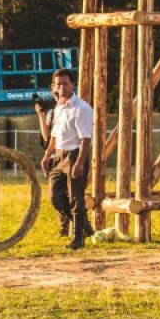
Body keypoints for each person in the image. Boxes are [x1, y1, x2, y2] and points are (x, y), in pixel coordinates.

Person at [40, 68, 94, 250]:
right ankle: (85, 227)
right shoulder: (59, 107)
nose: (62, 87)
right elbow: (55, 135)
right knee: (55, 197)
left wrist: (79, 162)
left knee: (76, 198)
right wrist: (47, 155)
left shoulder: (81, 108)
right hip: (59, 154)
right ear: (53, 87)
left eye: (65, 83)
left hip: (74, 153)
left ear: (72, 85)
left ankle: (78, 238)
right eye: (58, 84)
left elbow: (86, 138)